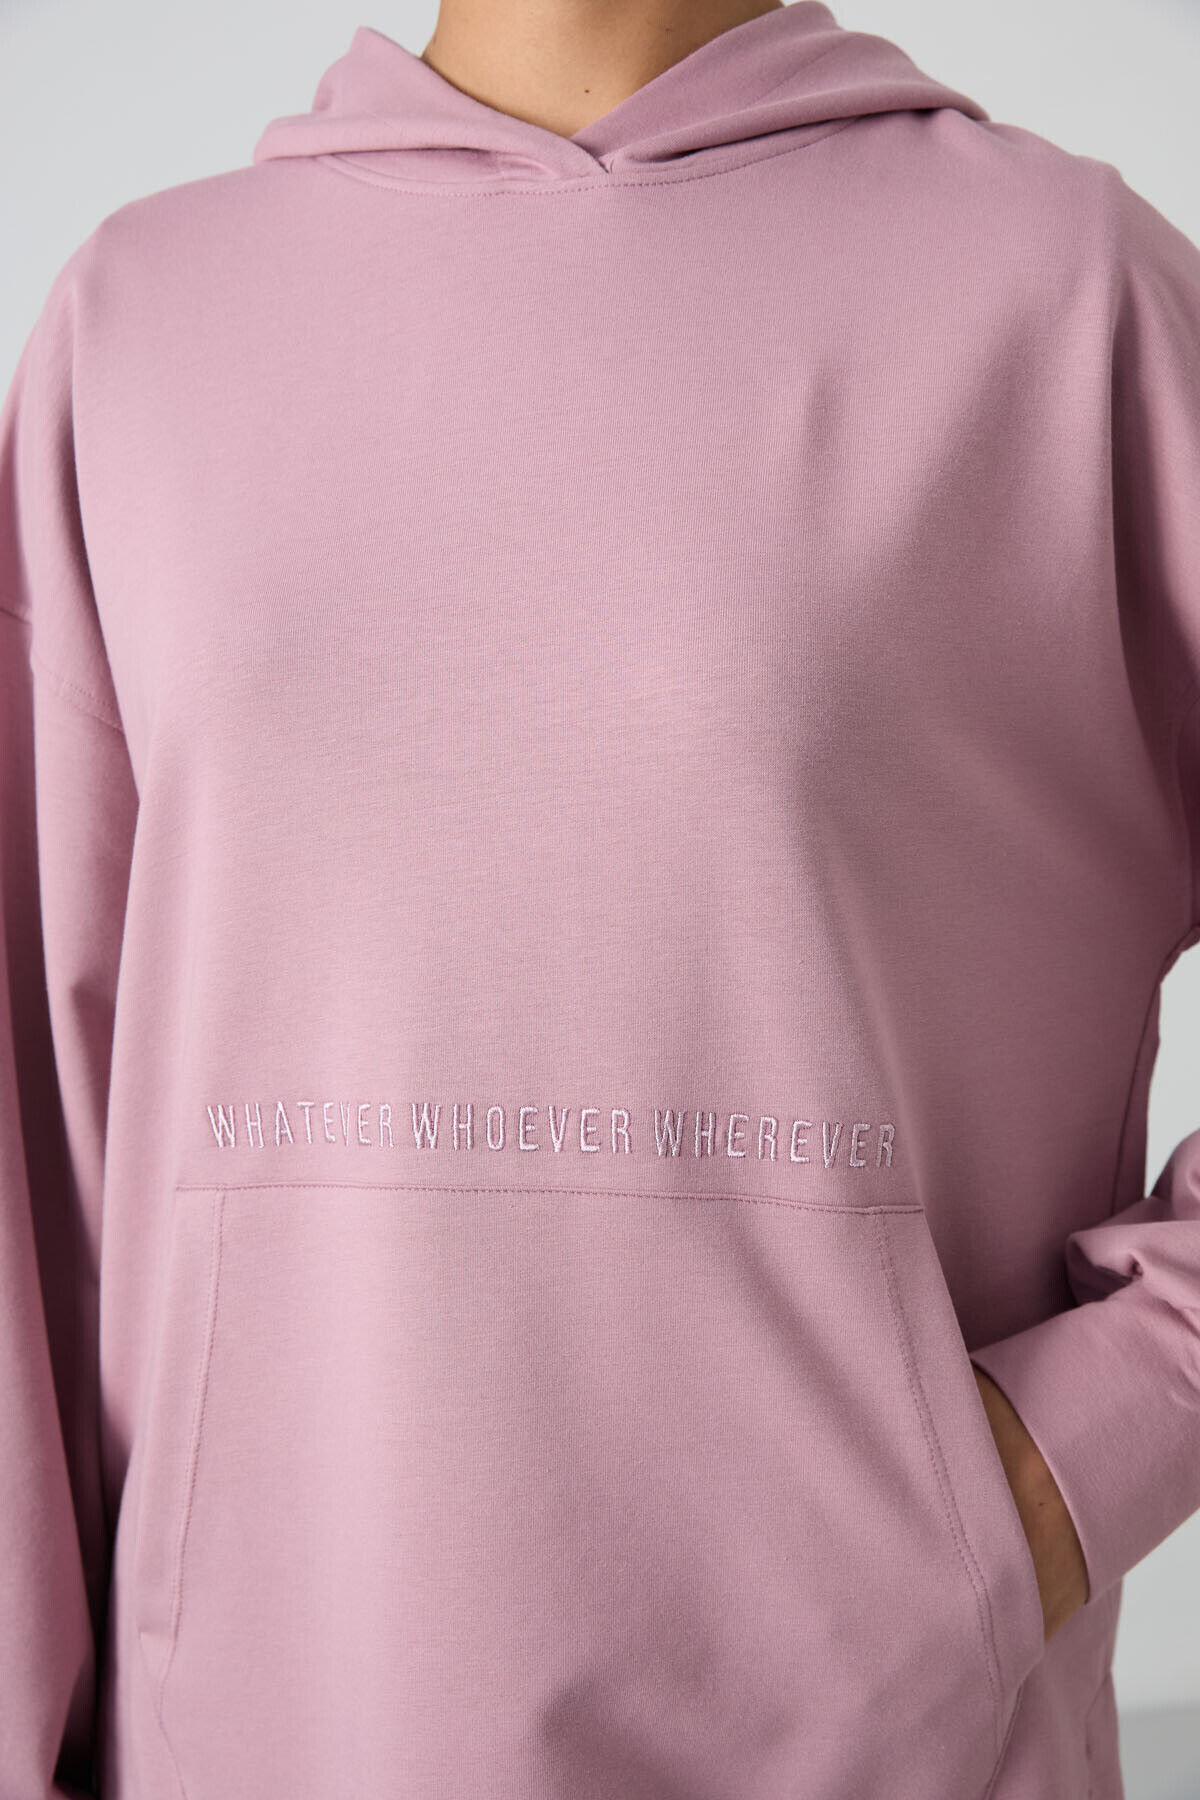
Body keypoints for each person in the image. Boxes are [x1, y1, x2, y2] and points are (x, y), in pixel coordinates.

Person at [1, 0, 1198, 1794]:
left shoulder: (1065, 293)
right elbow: (33, 1138)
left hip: (872, 1756)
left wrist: (1061, 1467)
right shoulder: (139, 324)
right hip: (255, 1737)